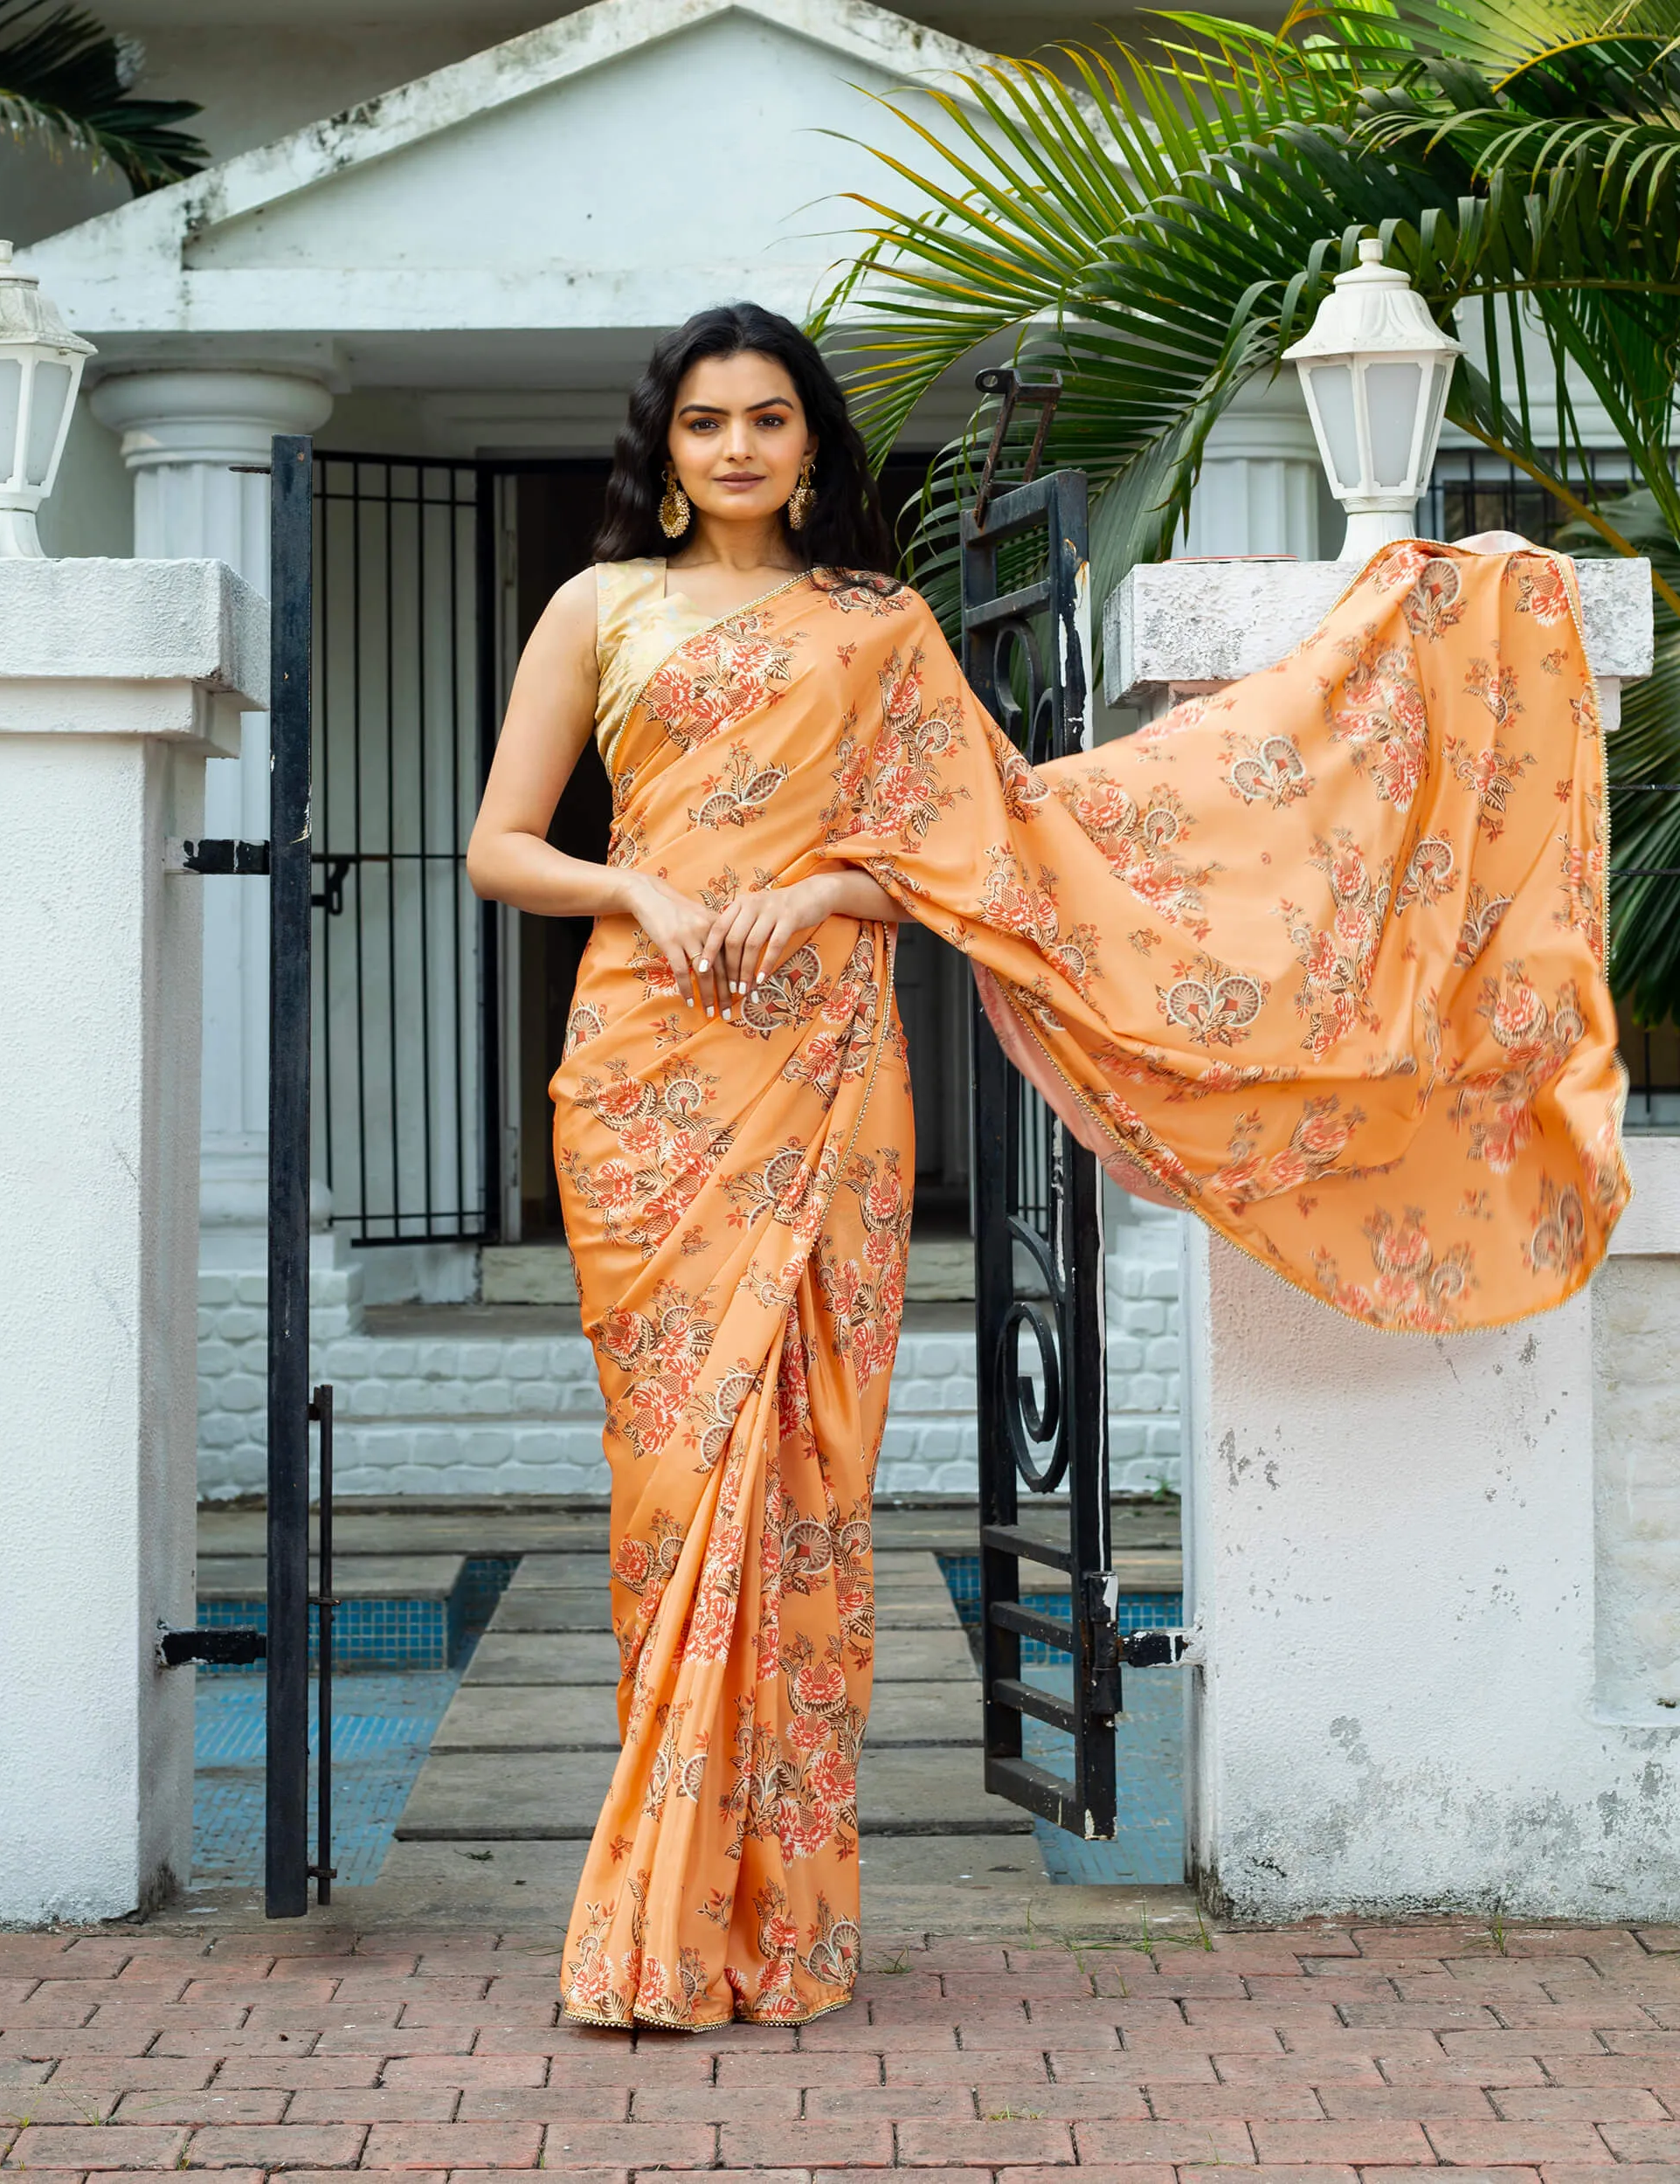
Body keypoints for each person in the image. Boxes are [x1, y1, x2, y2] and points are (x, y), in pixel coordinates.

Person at [467, 302, 1627, 2029]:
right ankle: (654, 1904)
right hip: (641, 1070)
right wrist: (637, 888)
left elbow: (989, 842)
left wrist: (825, 887)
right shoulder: (597, 610)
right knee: (672, 1478)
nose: (732, 449)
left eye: (766, 419)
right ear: (664, 441)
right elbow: (500, 846)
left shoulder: (878, 628)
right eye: (703, 421)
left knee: (809, 1497)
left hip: (824, 1058)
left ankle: (774, 1925)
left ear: (809, 444)